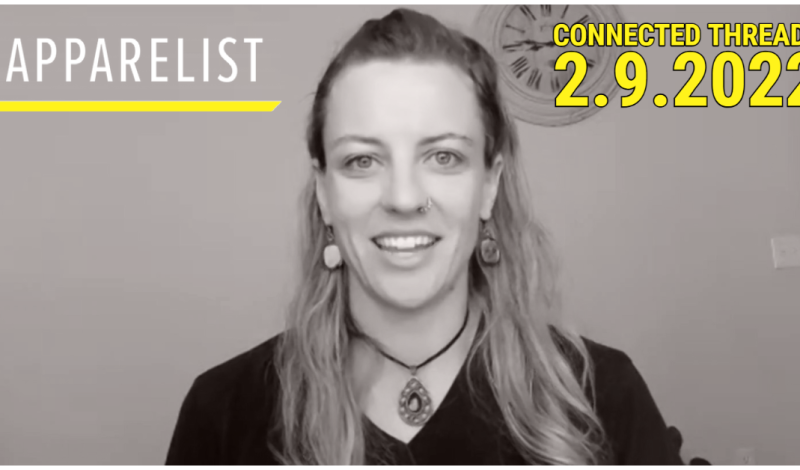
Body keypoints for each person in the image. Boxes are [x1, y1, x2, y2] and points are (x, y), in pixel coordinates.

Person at [165, 8, 682, 465]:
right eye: (362, 160)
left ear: (489, 185)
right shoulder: (222, 411)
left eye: (444, 157)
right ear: (324, 192)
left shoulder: (605, 397)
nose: (405, 198)